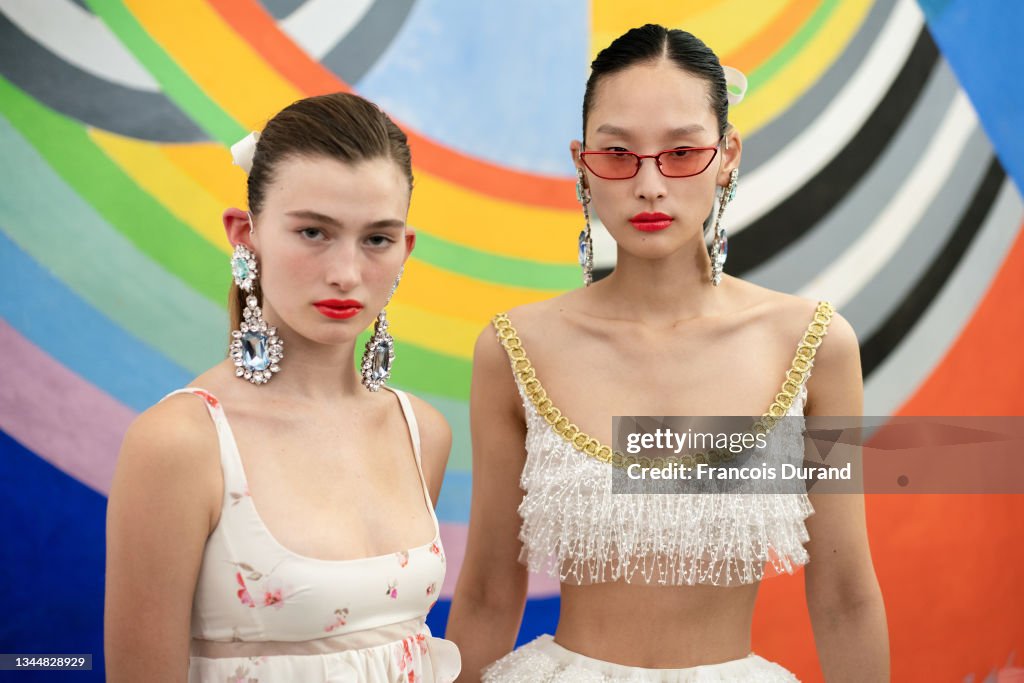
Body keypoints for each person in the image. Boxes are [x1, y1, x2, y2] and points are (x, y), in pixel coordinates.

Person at [447, 24, 888, 682]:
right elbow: (486, 592)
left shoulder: (813, 345)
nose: (650, 184)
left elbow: (845, 594)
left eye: (682, 153)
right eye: (618, 154)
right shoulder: (514, 348)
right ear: (581, 163)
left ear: (728, 154)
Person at [105, 92, 460, 681]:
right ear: (245, 235)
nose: (346, 273)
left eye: (376, 239)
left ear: (406, 249)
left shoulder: (421, 431)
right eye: (314, 232)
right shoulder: (180, 443)